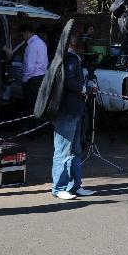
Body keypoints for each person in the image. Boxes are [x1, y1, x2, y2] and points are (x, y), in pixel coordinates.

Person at [51, 26, 96, 200]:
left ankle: (75, 186)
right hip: (67, 111)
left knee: (75, 150)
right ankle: (59, 187)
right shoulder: (70, 59)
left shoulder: (73, 58)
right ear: (76, 44)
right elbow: (69, 82)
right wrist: (85, 89)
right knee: (63, 150)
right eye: (81, 42)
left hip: (74, 111)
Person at [14, 23, 48, 124]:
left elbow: (29, 66)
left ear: (27, 32)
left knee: (31, 105)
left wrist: (25, 79)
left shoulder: (32, 45)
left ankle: (32, 130)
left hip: (32, 80)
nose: (22, 37)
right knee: (38, 105)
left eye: (22, 34)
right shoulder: (42, 43)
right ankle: (38, 128)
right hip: (41, 77)